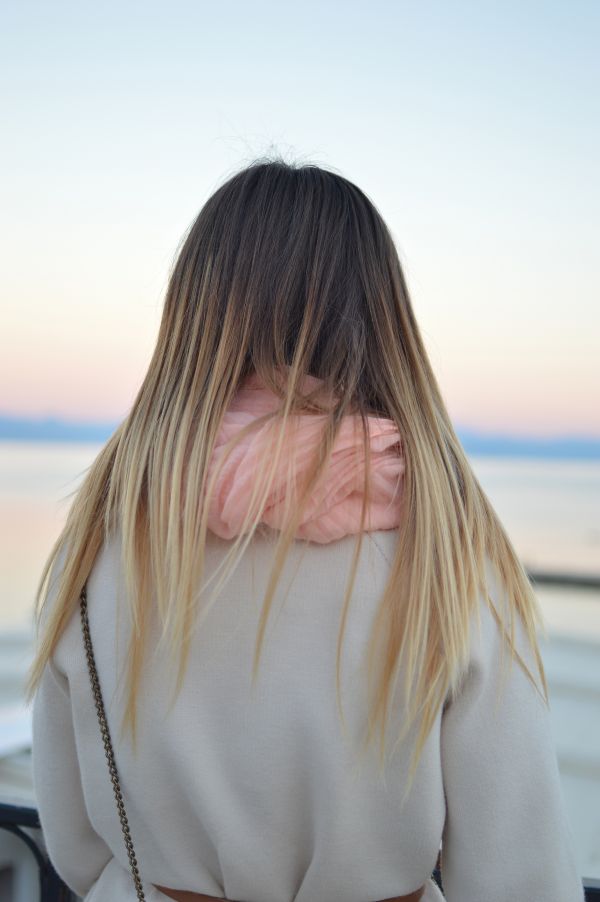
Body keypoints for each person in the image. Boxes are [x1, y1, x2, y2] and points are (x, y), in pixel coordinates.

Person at [26, 158, 584, 902]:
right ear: (382, 318)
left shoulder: (103, 534)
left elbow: (75, 840)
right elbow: (518, 871)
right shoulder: (444, 551)